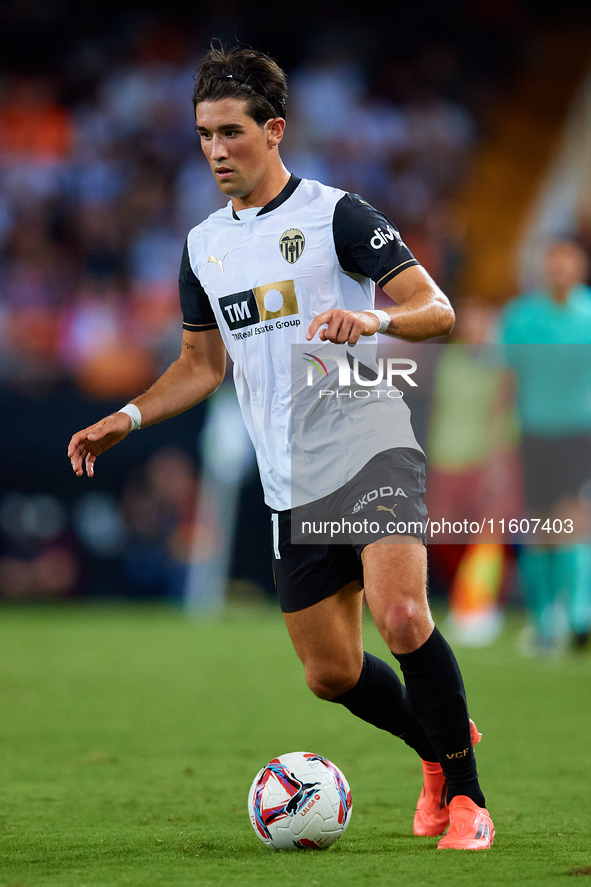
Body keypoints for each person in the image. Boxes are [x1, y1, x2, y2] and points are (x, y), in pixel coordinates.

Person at [68, 43, 494, 850]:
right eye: (203, 134)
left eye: (231, 131)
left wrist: (373, 318)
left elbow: (436, 310)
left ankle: (468, 803)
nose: (216, 150)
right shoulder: (203, 247)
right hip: (289, 478)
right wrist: (128, 413)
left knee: (401, 615)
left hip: (371, 442)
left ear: (274, 130)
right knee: (329, 672)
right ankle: (438, 749)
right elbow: (201, 364)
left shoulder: (337, 214)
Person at [497, 239, 591, 655]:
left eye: (567, 262)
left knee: (572, 517)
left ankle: (577, 614)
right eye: (553, 262)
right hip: (533, 432)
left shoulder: (588, 314)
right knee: (538, 526)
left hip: (579, 430)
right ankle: (545, 619)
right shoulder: (521, 317)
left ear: (580, 267)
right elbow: (505, 377)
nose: (560, 270)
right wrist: (499, 434)